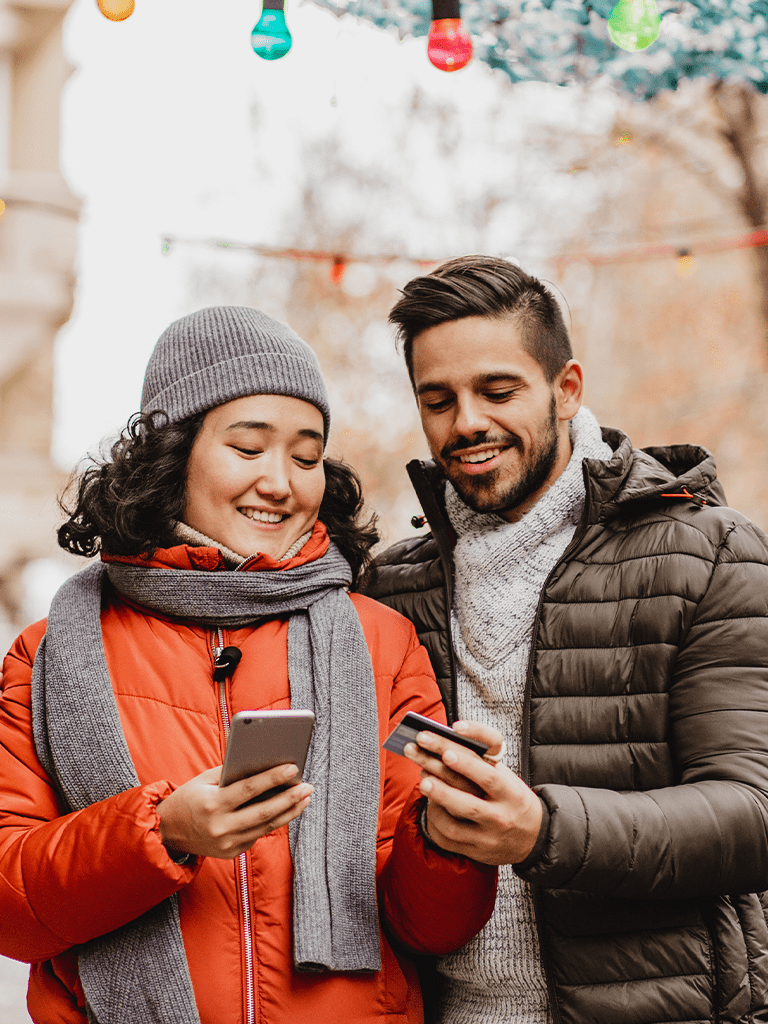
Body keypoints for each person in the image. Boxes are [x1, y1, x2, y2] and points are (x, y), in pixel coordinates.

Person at [0, 305, 497, 1024]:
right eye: (248, 447)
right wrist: (160, 834)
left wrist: (448, 838)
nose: (281, 483)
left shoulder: (379, 641)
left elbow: (431, 928)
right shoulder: (49, 654)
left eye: (305, 456)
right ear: (173, 454)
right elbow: (11, 910)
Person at [363, 254, 768, 1024]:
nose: (467, 422)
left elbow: (754, 814)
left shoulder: (709, 554)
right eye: (437, 399)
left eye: (498, 390)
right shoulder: (391, 588)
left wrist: (545, 830)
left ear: (567, 388)